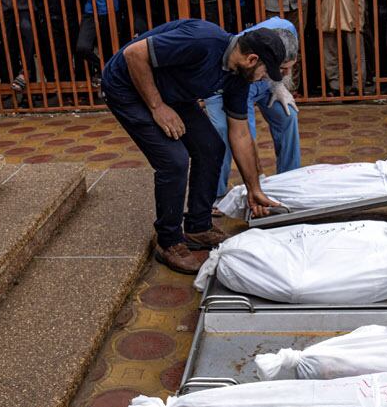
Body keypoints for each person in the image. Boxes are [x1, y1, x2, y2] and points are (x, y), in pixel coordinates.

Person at [100, 19, 285, 273]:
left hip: (173, 93)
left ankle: (198, 227)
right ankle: (169, 242)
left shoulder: (237, 77)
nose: (263, 79)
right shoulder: (203, 42)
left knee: (211, 147)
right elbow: (134, 54)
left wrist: (254, 189)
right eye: (265, 72)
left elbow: (240, 133)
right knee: (174, 160)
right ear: (252, 59)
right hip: (127, 86)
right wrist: (157, 107)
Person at [203, 17, 302, 202]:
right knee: (225, 134)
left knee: (288, 115)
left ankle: (290, 179)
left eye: (290, 68)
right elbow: (245, 136)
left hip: (265, 77)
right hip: (235, 83)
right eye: (283, 69)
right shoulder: (246, 62)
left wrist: (279, 85)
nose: (287, 73)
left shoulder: (288, 29)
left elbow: (283, 65)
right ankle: (214, 196)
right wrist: (258, 183)